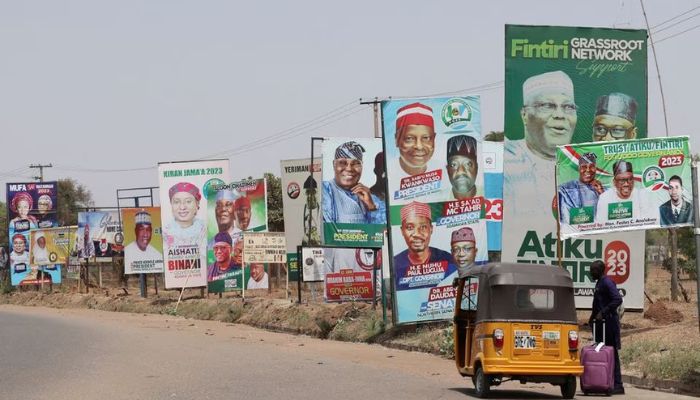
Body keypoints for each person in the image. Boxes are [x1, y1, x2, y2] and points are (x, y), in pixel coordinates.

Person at [504, 71, 577, 217]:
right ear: (525, 115)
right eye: (547, 106)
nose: (560, 115)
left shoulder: (583, 166)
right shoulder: (506, 159)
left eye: (568, 107)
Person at [393, 201, 456, 290]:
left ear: (431, 229)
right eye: (410, 227)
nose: (417, 234)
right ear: (402, 231)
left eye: (423, 227)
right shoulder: (394, 264)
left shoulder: (447, 260)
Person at [322, 141, 386, 224]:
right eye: (342, 163)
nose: (349, 169)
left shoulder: (371, 198)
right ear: (334, 165)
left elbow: (383, 231)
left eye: (355, 163)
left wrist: (371, 207)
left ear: (362, 166)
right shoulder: (326, 190)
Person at [588, 260, 624, 395]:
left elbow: (617, 299)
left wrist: (604, 312)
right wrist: (592, 318)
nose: (591, 273)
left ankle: (618, 385)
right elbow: (597, 303)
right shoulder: (599, 283)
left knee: (611, 353)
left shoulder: (607, 282)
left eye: (593, 270)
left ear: (600, 270)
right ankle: (603, 381)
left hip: (609, 324)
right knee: (601, 353)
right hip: (600, 325)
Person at [557, 152, 605, 224]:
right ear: (579, 169)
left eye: (592, 166)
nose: (588, 170)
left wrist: (602, 193)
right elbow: (565, 220)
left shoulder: (602, 190)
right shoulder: (566, 189)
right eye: (584, 167)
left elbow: (609, 213)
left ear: (595, 169)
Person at [395, 102, 436, 176]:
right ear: (397, 140)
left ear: (434, 139)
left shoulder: (443, 172)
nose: (419, 146)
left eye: (426, 138)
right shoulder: (389, 173)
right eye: (409, 138)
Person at [443, 135, 479, 200]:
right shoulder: (439, 200)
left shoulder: (487, 196)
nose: (461, 171)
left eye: (468, 164)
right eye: (454, 165)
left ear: (476, 167)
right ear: (448, 170)